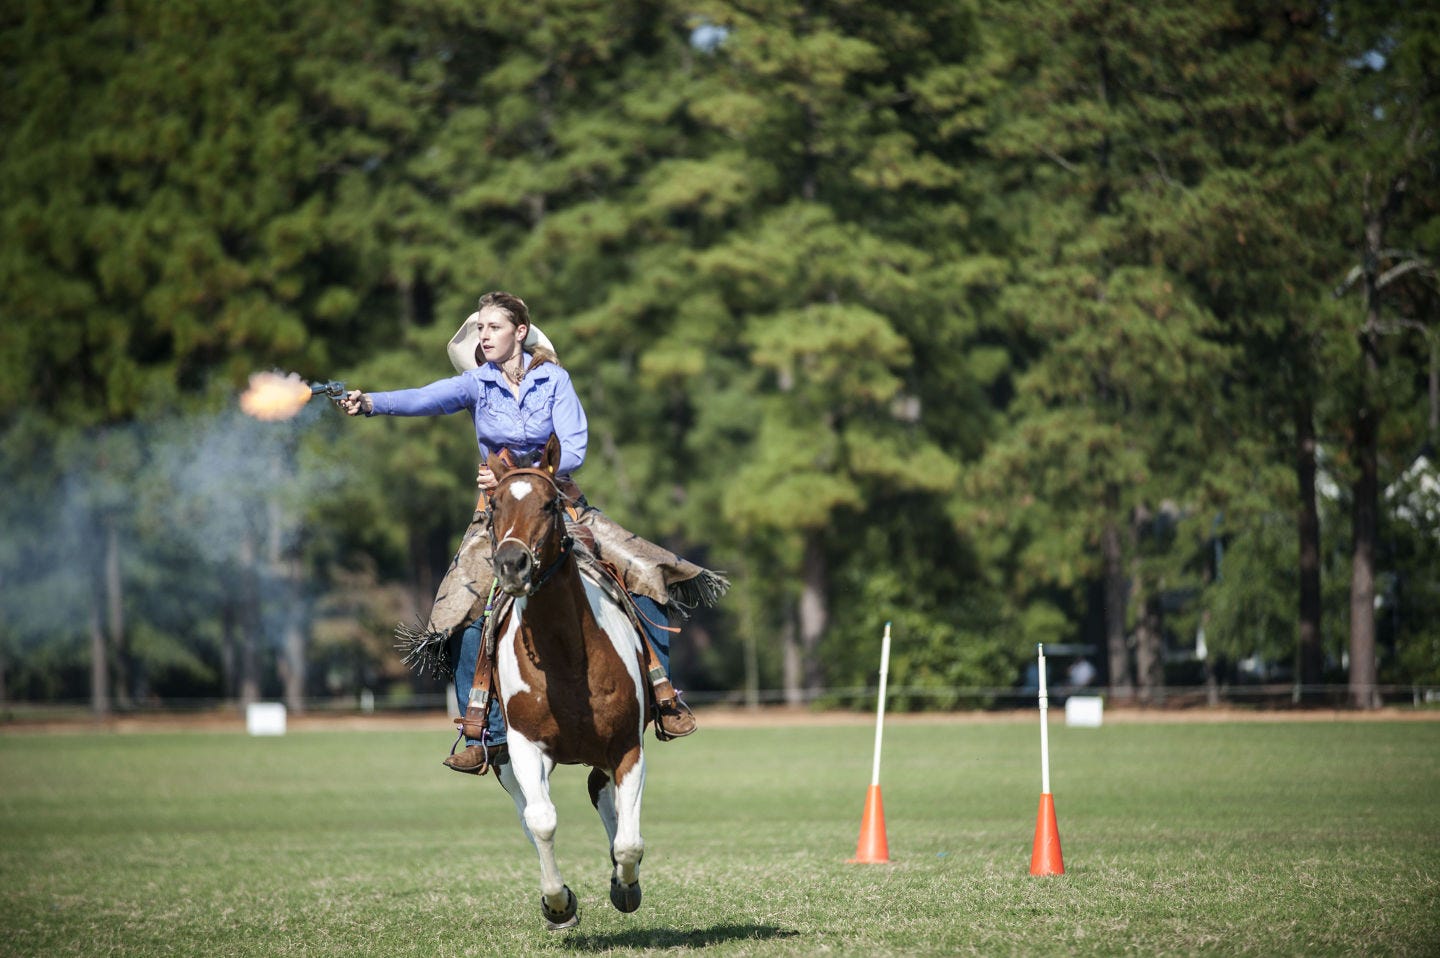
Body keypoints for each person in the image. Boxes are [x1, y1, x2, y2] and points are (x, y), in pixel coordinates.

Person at [340, 292, 725, 774]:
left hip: (561, 505)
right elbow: (424, 398)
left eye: (493, 327)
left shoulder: (555, 380)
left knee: (649, 571)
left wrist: (520, 473)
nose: (483, 336)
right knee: (457, 608)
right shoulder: (476, 384)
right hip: (498, 518)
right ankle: (481, 730)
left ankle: (662, 696)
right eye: (479, 329)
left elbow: (576, 447)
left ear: (520, 332)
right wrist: (371, 402)